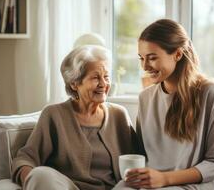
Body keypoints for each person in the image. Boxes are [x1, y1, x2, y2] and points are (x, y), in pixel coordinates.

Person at [119, 19, 214, 189]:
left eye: (152, 58)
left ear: (178, 54)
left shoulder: (210, 92)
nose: (145, 66)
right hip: (156, 183)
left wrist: (165, 179)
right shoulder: (145, 98)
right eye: (141, 58)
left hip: (197, 184)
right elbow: (143, 155)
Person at [11, 44, 139, 190]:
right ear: (74, 84)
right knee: (40, 174)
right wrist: (34, 181)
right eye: (96, 78)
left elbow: (138, 159)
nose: (103, 84)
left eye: (106, 77)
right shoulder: (54, 115)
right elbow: (26, 158)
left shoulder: (119, 115)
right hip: (68, 187)